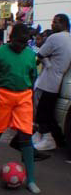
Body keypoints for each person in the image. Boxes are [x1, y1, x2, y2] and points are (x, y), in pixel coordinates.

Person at [0, 23, 41, 194]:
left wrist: (33, 105)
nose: (22, 45)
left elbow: (32, 80)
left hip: (23, 97)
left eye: (25, 42)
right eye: (19, 41)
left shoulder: (29, 55)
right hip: (1, 95)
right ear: (11, 38)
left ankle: (31, 179)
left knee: (26, 137)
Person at [33, 14, 71, 153]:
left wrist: (48, 64)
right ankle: (56, 139)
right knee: (49, 111)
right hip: (59, 79)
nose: (52, 24)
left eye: (55, 22)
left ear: (63, 24)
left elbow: (40, 55)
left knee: (43, 112)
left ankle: (48, 140)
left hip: (47, 80)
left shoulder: (55, 38)